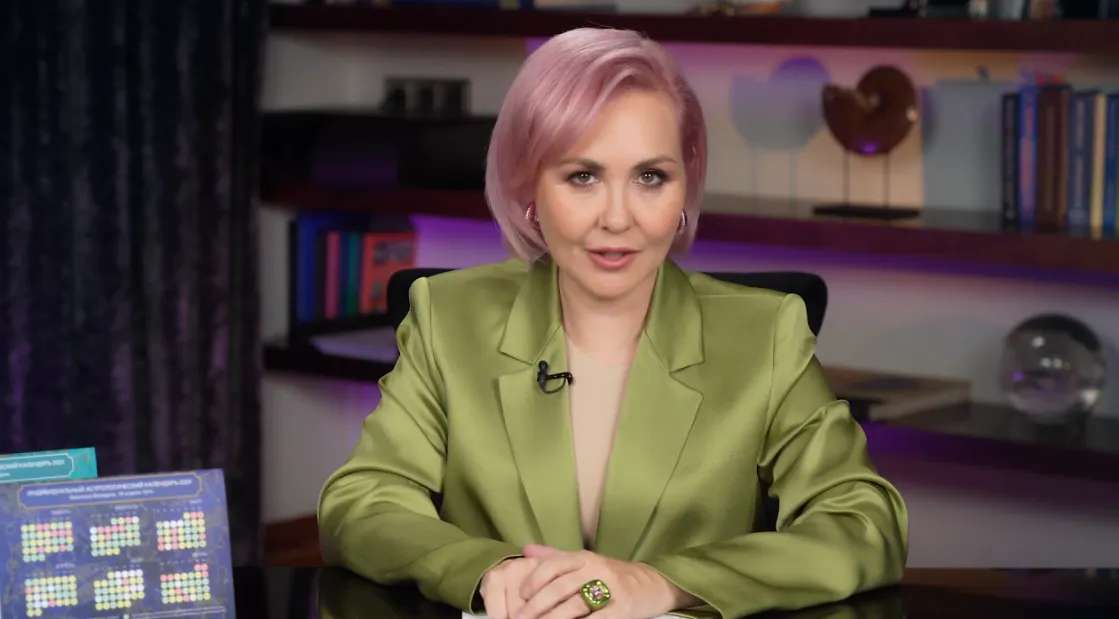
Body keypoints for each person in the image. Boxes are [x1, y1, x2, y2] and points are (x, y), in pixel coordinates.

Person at [318, 27, 908, 619]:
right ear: (529, 185)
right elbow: (361, 503)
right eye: (583, 176)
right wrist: (489, 570)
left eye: (651, 177)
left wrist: (664, 584)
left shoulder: (765, 333)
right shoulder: (447, 316)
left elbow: (864, 522)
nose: (618, 218)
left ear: (685, 182)